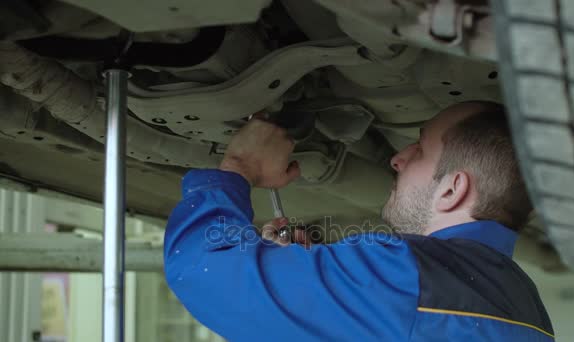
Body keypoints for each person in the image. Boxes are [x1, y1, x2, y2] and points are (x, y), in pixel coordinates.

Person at [163, 101, 554, 341]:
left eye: (419, 149)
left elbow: (201, 268)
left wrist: (240, 168)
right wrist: (317, 292)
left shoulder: (405, 275)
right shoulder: (526, 306)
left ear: (452, 190)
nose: (398, 158)